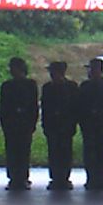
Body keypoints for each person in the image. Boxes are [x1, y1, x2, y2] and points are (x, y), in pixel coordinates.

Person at [77, 58, 103, 190]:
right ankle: (92, 177)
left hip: (102, 124)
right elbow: (80, 107)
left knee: (102, 151)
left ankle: (101, 177)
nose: (90, 72)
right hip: (90, 124)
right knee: (91, 152)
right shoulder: (85, 86)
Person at [0, 57, 38, 190]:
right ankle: (13, 178)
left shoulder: (30, 85)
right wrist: (5, 123)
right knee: (11, 151)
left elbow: (33, 106)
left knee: (23, 151)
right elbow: (3, 107)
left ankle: (23, 178)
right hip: (11, 124)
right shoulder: (7, 86)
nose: (12, 70)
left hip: (24, 123)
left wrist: (32, 123)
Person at [41, 61, 79, 190]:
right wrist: (45, 125)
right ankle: (55, 178)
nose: (52, 74)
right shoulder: (47, 87)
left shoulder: (71, 87)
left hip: (66, 125)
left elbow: (75, 107)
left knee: (65, 152)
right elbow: (45, 108)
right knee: (53, 152)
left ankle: (64, 178)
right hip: (52, 125)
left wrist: (73, 123)